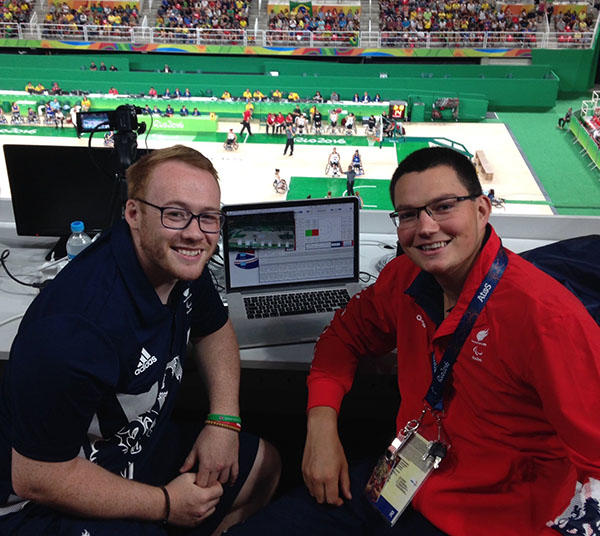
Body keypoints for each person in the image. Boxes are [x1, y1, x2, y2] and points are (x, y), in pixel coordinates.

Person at [227, 146, 600, 536]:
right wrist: (321, 425)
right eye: (408, 214)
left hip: (492, 521)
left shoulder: (547, 318)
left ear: (482, 210)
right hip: (402, 482)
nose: (425, 227)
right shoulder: (404, 277)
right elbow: (342, 337)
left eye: (443, 206)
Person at [0, 145, 281, 535]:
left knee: (263, 466)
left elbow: (213, 329)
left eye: (208, 218)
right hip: (45, 497)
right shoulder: (75, 330)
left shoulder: (180, 262)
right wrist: (167, 504)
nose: (195, 233)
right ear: (133, 214)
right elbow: (36, 477)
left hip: (133, 449)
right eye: (176, 214)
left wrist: (223, 421)